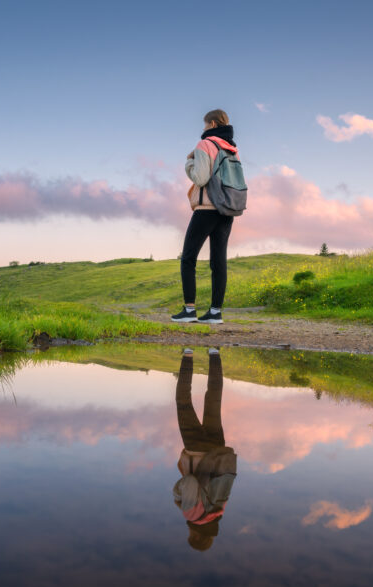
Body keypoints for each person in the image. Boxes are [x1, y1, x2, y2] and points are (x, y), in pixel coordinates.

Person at [171, 109, 241, 324]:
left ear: (211, 124)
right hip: (227, 208)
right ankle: (214, 312)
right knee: (218, 261)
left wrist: (189, 163)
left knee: (188, 258)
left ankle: (189, 310)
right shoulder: (232, 149)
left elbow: (200, 179)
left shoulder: (206, 144)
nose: (203, 129)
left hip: (207, 208)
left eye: (204, 125)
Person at [172, 347, 237, 552]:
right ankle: (188, 355)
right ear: (195, 535)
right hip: (195, 449)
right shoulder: (193, 515)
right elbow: (190, 482)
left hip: (217, 450)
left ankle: (214, 354)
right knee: (183, 402)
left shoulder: (219, 510)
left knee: (213, 401)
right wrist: (177, 495)